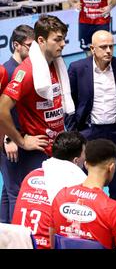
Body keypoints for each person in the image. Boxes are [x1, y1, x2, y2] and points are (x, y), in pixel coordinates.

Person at [0, 15, 73, 219]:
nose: (63, 44)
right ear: (41, 41)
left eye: (64, 39)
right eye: (57, 39)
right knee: (28, 204)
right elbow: (2, 109)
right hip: (35, 153)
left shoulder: (56, 65)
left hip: (55, 148)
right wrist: (20, 140)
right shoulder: (29, 71)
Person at [66, 30, 116, 202]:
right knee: (84, 181)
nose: (108, 51)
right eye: (103, 47)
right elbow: (69, 102)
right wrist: (75, 132)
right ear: (92, 48)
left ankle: (114, 222)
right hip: (88, 133)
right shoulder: (77, 68)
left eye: (111, 46)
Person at [49, 139, 116, 249]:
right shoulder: (114, 209)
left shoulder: (60, 196)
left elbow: (52, 242)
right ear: (111, 167)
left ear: (86, 164)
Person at [10, 131, 87, 249]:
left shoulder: (31, 175)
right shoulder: (78, 183)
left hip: (18, 243)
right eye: (84, 154)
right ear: (76, 160)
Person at [0, 25, 34, 224]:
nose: (33, 50)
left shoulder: (26, 70)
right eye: (29, 46)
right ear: (16, 45)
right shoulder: (6, 71)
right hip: (10, 141)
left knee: (8, 189)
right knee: (15, 192)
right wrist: (8, 138)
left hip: (21, 138)